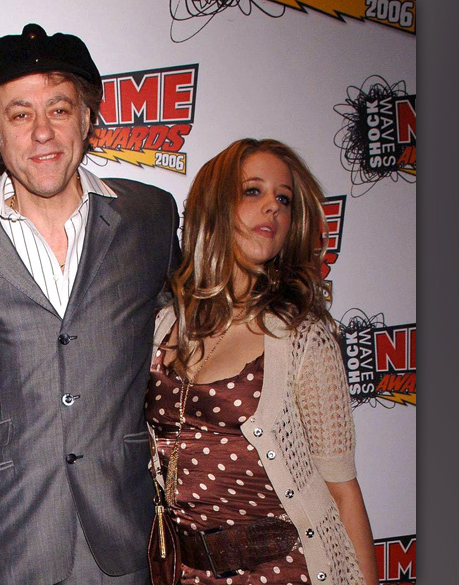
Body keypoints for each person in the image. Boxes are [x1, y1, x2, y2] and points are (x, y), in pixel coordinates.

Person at [0, 23, 181, 585]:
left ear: (86, 119)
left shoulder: (150, 218)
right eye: (20, 114)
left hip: (126, 530)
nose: (43, 133)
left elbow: (190, 327)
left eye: (59, 109)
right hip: (12, 538)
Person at [147, 138, 380, 584]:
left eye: (284, 200)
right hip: (183, 572)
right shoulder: (161, 326)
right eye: (253, 191)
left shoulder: (301, 335)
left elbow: (342, 489)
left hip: (282, 572)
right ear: (214, 204)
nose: (272, 207)